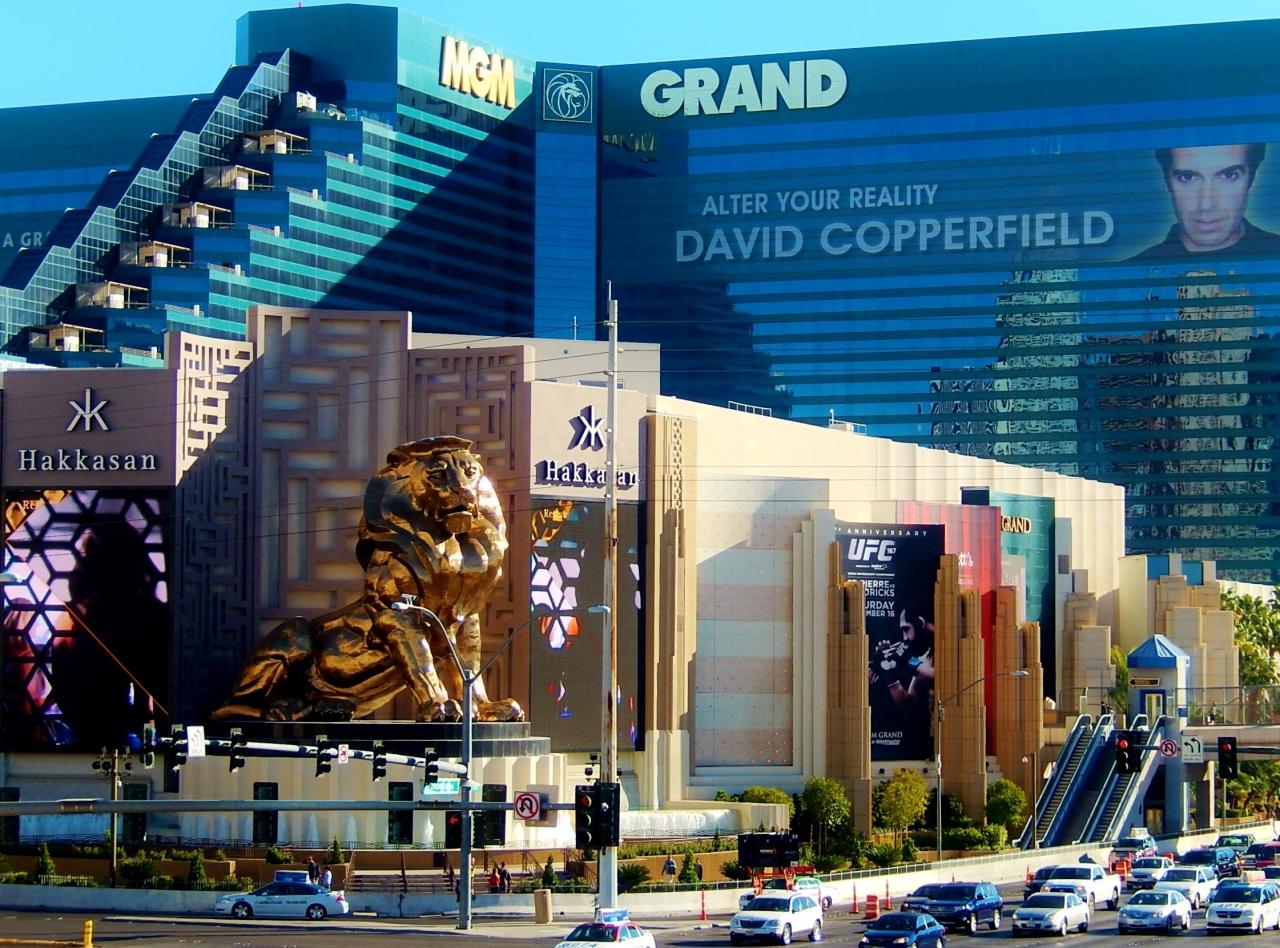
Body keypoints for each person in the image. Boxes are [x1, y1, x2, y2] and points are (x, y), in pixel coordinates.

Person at [1133, 143, 1280, 259]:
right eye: (1187, 177)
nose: (1206, 204)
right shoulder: (1132, 274)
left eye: (1228, 175)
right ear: (1167, 181)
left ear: (1252, 179)